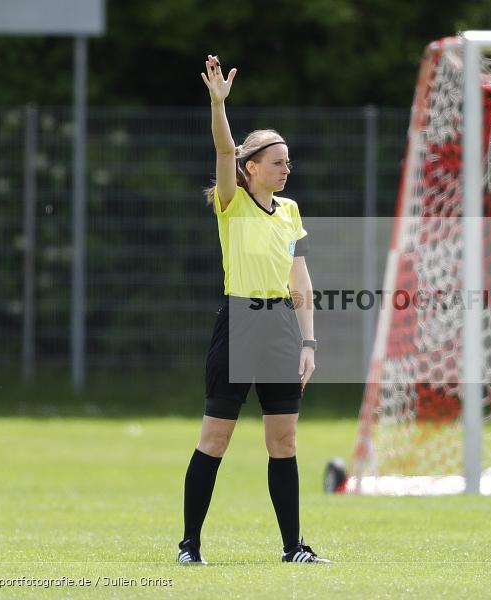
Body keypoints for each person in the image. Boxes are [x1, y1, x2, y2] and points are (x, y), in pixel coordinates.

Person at [176, 54, 329, 565]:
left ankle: (294, 548)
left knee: (283, 441)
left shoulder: (290, 211)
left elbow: (300, 278)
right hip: (240, 321)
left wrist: (309, 341)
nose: (287, 169)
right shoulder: (232, 201)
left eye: (288, 161)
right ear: (252, 167)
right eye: (278, 161)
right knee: (216, 438)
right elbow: (223, 147)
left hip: (282, 324)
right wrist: (219, 105)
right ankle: (190, 546)